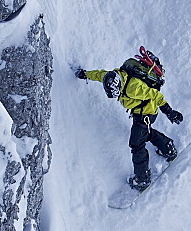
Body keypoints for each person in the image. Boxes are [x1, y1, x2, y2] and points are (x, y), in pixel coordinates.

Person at [76, 47, 183, 190]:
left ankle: (142, 178)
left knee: (136, 144)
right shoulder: (113, 75)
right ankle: (168, 148)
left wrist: (169, 112)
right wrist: (85, 74)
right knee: (145, 134)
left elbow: (156, 96)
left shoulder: (134, 87)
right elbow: (99, 75)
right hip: (139, 112)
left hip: (146, 114)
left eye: (117, 92)